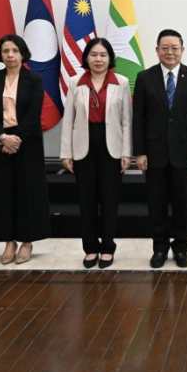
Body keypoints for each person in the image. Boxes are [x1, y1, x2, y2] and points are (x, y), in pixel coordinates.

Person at [133, 29, 187, 269]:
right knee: (156, 203)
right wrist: (140, 152)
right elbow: (138, 119)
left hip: (184, 153)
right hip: (154, 154)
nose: (170, 52)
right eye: (164, 48)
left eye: (175, 48)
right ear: (157, 50)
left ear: (182, 50)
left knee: (183, 203)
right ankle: (160, 247)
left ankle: (182, 247)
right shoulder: (145, 78)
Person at [60, 38, 131, 269]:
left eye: (103, 55)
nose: (98, 59)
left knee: (110, 200)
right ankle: (90, 248)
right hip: (83, 146)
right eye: (94, 55)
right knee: (86, 200)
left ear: (110, 58)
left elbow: (127, 122)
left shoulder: (121, 82)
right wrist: (66, 153)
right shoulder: (75, 82)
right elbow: (68, 120)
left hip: (112, 147)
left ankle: (108, 247)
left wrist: (126, 153)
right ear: (86, 58)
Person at [0, 34, 49, 265]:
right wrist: (2, 136)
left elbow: (33, 114)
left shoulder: (35, 80)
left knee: (27, 192)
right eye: (5, 51)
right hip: (0, 144)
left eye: (14, 51)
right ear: (0, 55)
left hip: (27, 144)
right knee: (3, 193)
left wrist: (16, 139)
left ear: (22, 54)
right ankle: (8, 242)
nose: (10, 55)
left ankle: (27, 242)